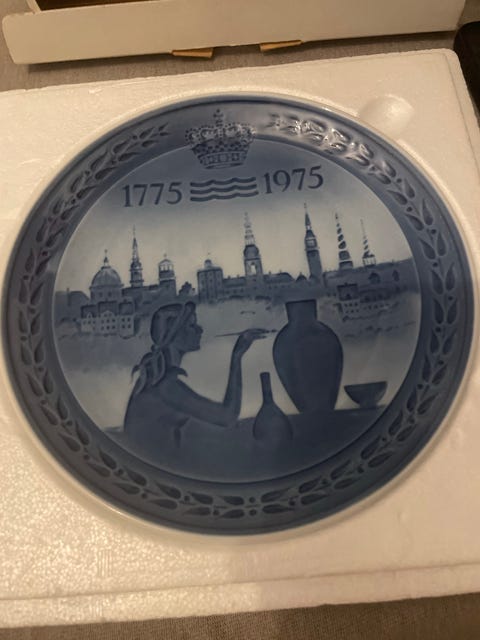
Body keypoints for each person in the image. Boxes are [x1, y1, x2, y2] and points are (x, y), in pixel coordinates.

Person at [124, 301, 265, 446]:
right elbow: (227, 417)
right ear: (175, 336)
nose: (200, 329)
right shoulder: (165, 386)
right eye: (191, 325)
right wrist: (237, 356)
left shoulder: (154, 377)